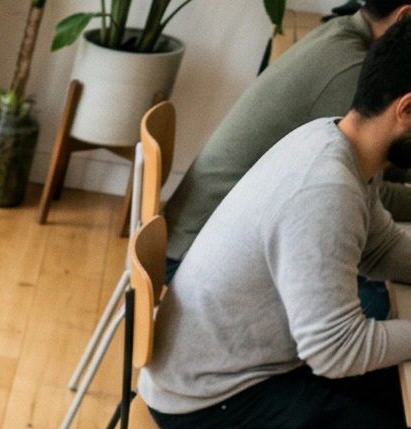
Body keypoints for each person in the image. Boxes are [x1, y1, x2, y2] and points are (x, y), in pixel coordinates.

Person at [140, 25, 411, 429]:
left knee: (383, 407)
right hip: (208, 395)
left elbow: (382, 248)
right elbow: (334, 351)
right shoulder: (326, 190)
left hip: (217, 365)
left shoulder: (334, 145)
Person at [164, 0, 411, 269]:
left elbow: (385, 160)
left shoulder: (342, 33)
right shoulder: (351, 69)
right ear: (405, 17)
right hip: (198, 255)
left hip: (199, 237)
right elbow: (368, 191)